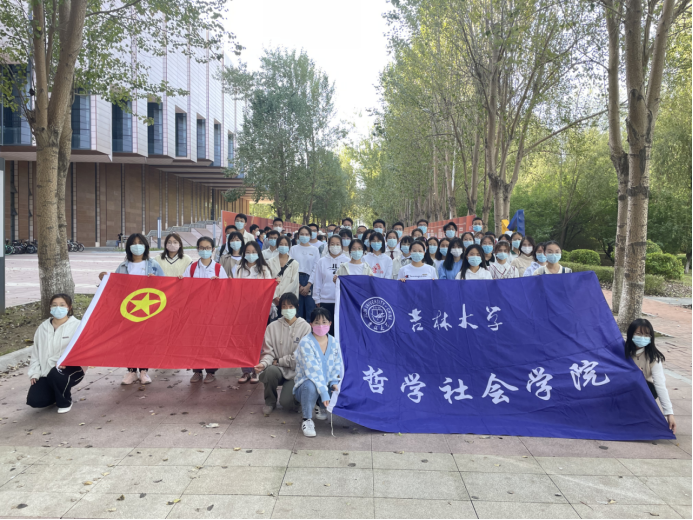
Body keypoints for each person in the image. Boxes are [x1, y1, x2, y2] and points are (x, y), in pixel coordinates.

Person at [99, 233, 163, 386]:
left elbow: (164, 285)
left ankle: (144, 371)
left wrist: (156, 281)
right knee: (128, 340)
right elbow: (115, 286)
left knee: (145, 340)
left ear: (145, 246)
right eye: (133, 243)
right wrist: (104, 277)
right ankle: (131, 371)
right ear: (128, 247)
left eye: (140, 243)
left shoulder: (153, 264)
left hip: (148, 310)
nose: (137, 246)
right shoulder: (123, 266)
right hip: (128, 310)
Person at [254, 293, 311, 416]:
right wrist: (263, 363)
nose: (287, 309)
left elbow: (301, 357)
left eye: (290, 306)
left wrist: (279, 361)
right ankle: (270, 402)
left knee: (287, 404)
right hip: (278, 370)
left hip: (296, 372)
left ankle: (296, 399)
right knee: (269, 371)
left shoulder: (305, 327)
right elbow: (268, 352)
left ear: (297, 307)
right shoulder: (272, 327)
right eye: (284, 306)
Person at [27, 294, 84, 414]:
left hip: (71, 369)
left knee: (56, 374)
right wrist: (34, 373)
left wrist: (67, 361)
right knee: (35, 400)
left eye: (62, 305)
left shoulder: (78, 326)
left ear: (69, 307)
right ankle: (56, 393)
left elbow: (83, 350)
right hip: (46, 371)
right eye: (54, 305)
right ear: (50, 307)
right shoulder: (43, 328)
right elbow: (36, 352)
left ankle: (65, 402)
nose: (58, 308)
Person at [183, 237, 228, 384]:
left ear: (213, 250)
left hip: (212, 312)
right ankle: (197, 371)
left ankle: (210, 371)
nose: (204, 250)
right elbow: (184, 288)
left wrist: (217, 285)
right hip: (195, 312)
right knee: (195, 340)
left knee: (211, 340)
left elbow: (226, 289)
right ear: (198, 249)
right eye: (202, 248)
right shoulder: (191, 268)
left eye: (207, 248)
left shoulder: (218, 268)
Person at [294, 307, 343, 438]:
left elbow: (336, 365)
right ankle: (307, 419)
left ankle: (319, 405)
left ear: (330, 323)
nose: (321, 326)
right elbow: (312, 371)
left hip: (324, 385)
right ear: (311, 324)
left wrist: (333, 382)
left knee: (338, 386)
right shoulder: (306, 342)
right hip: (306, 386)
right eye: (317, 322)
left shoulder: (334, 342)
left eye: (324, 322)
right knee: (310, 385)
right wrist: (324, 393)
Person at [625, 319, 676, 434]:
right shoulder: (622, 351)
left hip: (641, 391)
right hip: (620, 388)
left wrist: (669, 413)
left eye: (646, 335)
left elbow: (660, 384)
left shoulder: (653, 358)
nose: (642, 338)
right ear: (630, 334)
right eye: (639, 334)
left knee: (651, 388)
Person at [311, 235, 349, 335]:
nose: (335, 246)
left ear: (341, 246)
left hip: (341, 301)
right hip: (325, 300)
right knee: (326, 329)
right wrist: (317, 298)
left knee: (340, 329)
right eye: (332, 244)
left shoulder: (347, 261)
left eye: (337, 244)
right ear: (328, 246)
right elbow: (317, 280)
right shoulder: (322, 261)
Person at [291, 226, 321, 321]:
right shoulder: (293, 249)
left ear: (310, 236)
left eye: (307, 234)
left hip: (310, 281)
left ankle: (310, 329)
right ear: (298, 235)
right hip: (296, 280)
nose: (304, 236)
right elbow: (291, 266)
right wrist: (298, 285)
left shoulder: (315, 250)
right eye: (302, 234)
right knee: (297, 310)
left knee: (310, 310)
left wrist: (309, 285)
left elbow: (316, 268)